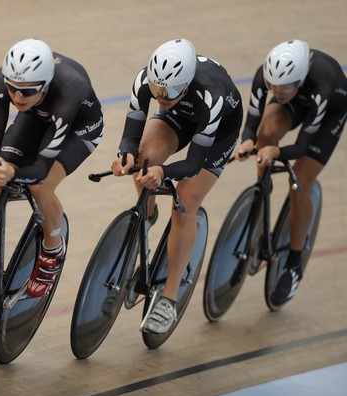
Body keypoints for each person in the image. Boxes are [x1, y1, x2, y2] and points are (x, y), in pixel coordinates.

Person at [111, 38, 243, 334]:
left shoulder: (211, 95)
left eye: (169, 91)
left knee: (184, 203)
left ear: (185, 83)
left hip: (217, 129)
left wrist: (164, 171)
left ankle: (169, 298)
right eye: (158, 90)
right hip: (179, 117)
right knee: (144, 158)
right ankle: (147, 216)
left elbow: (194, 163)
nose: (161, 96)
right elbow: (131, 135)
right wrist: (125, 154)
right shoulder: (150, 82)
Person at [0, 38, 104, 298]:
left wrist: (14, 173)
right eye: (13, 89)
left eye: (27, 91)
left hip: (79, 128)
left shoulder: (71, 86)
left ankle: (52, 249)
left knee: (40, 187)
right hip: (35, 117)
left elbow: (41, 168)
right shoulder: (3, 80)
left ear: (46, 85)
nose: (18, 96)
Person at [235, 39, 347, 306]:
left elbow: (300, 147)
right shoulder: (269, 77)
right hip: (298, 102)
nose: (278, 91)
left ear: (300, 77)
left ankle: (294, 263)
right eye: (273, 86)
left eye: (285, 86)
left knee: (299, 182)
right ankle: (263, 190)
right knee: (267, 132)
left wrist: (276, 153)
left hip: (329, 113)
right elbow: (252, 122)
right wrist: (249, 141)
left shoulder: (323, 84)